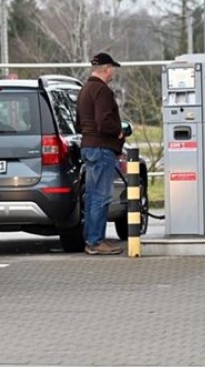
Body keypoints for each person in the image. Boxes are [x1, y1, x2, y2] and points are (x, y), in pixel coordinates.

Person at [75, 52, 125, 255]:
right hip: (102, 148)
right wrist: (119, 132)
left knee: (92, 195)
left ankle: (91, 239)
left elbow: (79, 123)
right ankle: (96, 241)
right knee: (101, 196)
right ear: (106, 68)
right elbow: (104, 122)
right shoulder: (102, 91)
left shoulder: (84, 90)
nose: (113, 71)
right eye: (112, 67)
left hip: (88, 145)